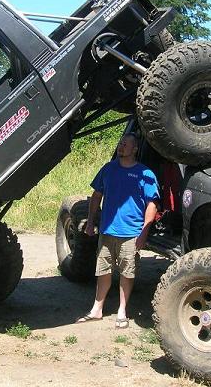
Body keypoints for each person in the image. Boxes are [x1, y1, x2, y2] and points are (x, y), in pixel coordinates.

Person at [76, 132, 159, 329]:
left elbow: (152, 205)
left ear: (135, 149)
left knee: (127, 273)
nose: (121, 146)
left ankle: (122, 311)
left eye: (125, 144)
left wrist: (144, 232)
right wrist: (90, 222)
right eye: (120, 143)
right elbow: (97, 195)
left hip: (131, 233)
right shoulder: (108, 169)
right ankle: (97, 309)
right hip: (107, 231)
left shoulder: (145, 174)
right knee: (103, 270)